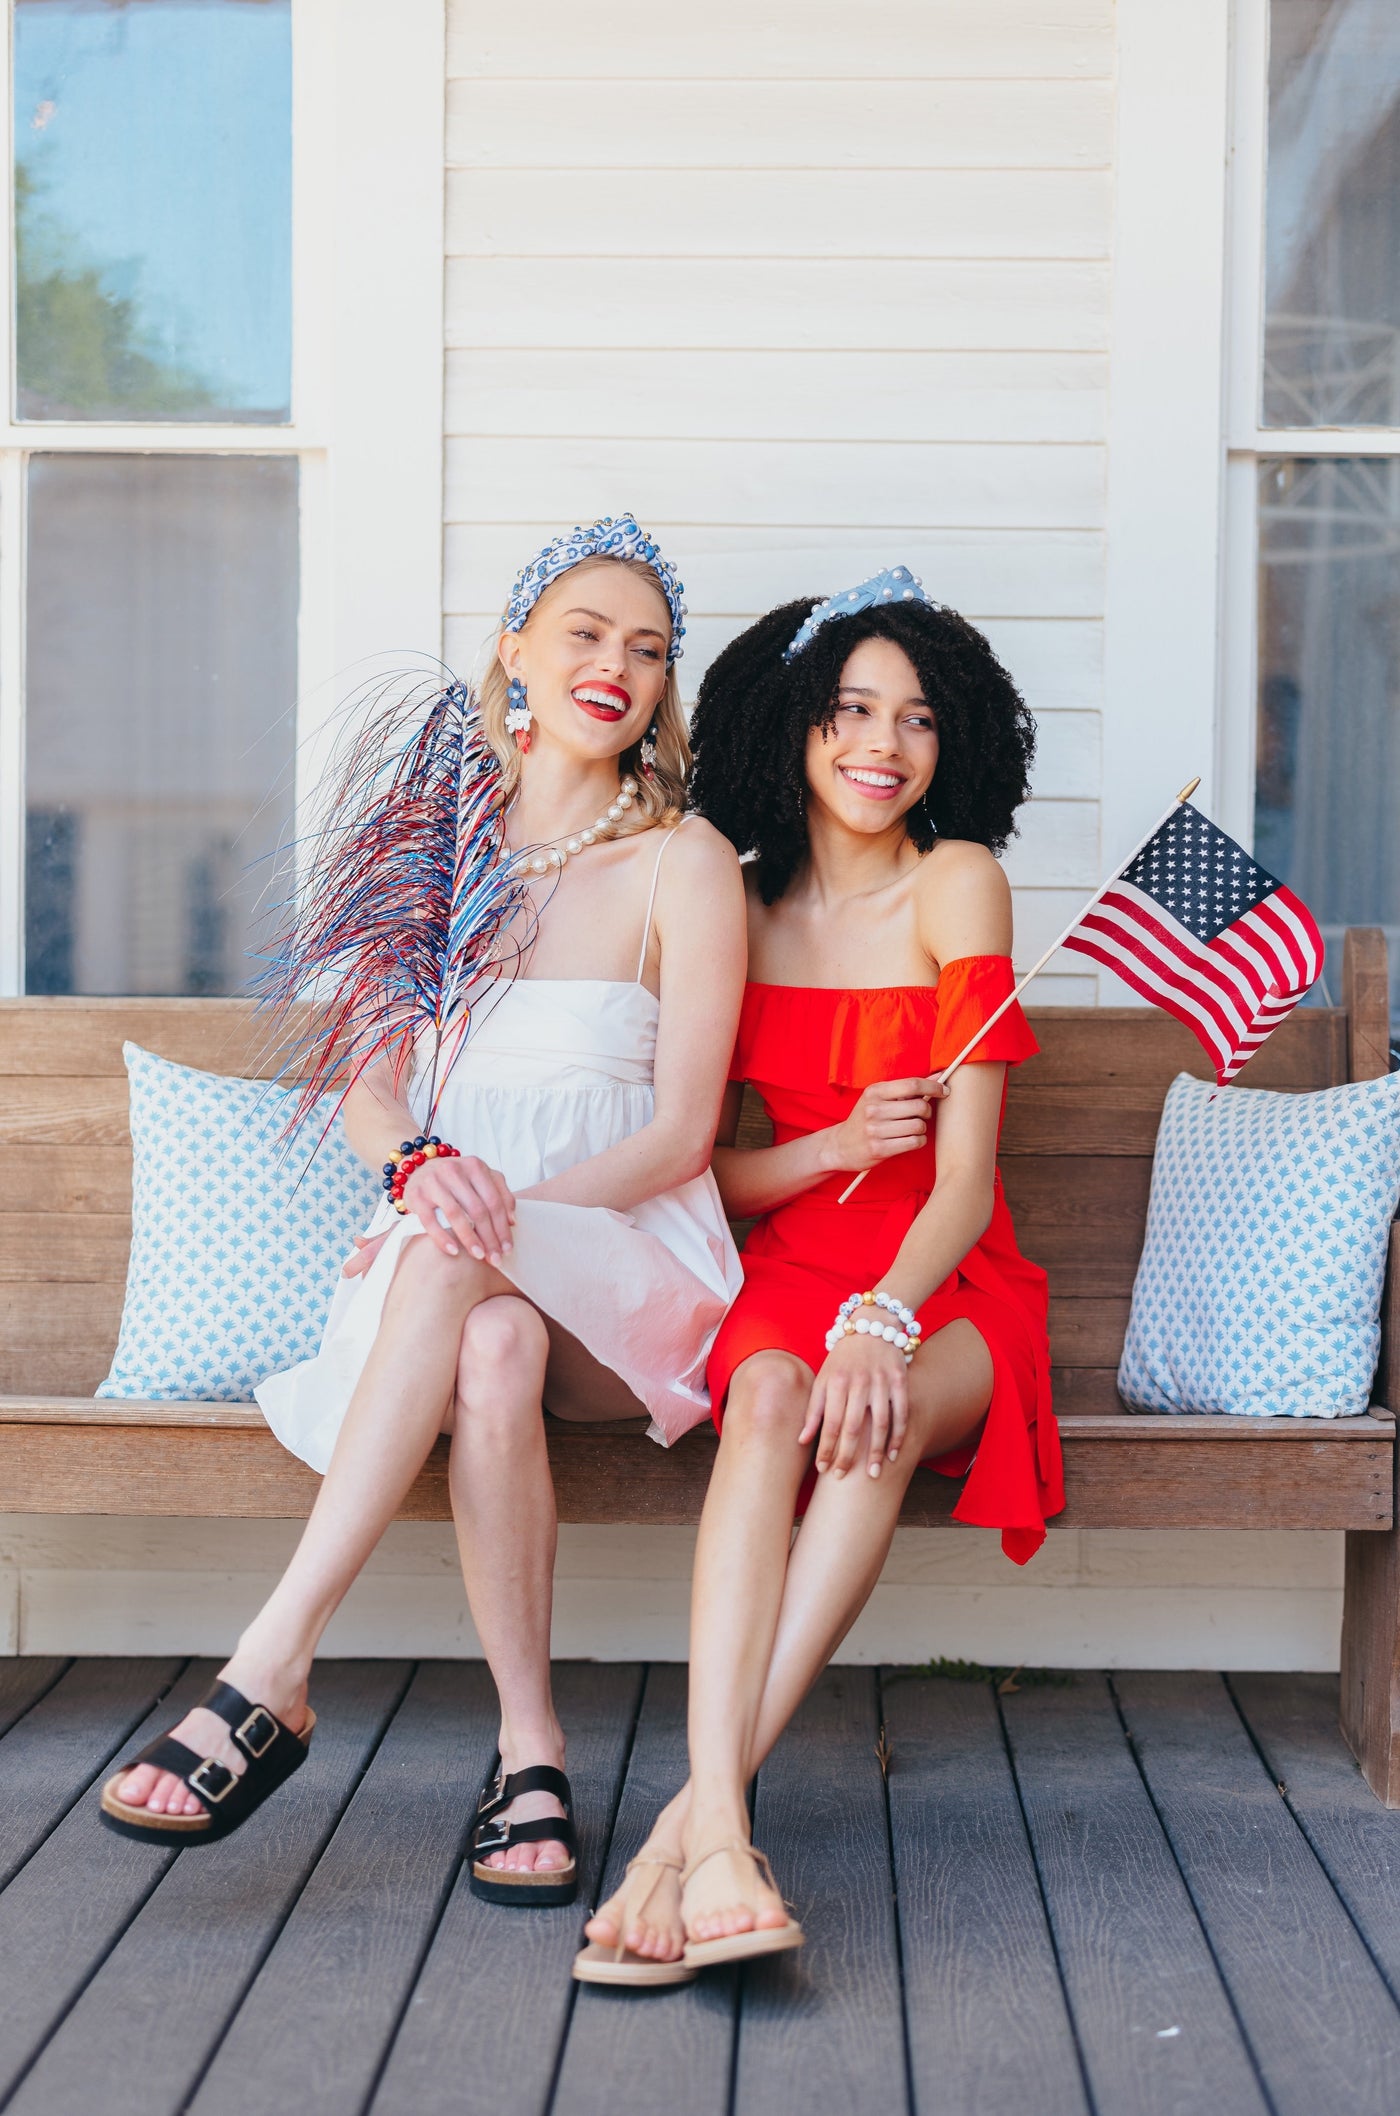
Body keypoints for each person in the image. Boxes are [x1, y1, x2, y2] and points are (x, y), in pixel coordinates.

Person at [98, 516, 746, 1909]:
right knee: (488, 1343)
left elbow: (681, 1131)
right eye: (584, 632)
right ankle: (532, 1754)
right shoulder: (431, 853)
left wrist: (498, 1212)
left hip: (626, 1251)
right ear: (514, 647)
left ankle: (271, 1665)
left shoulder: (683, 862)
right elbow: (368, 1090)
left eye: (646, 650)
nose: (614, 666)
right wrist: (420, 1181)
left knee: (474, 1278)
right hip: (452, 1260)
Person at [576, 567, 1062, 1983]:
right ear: (793, 724)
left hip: (943, 1277)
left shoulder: (957, 881)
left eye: (915, 720)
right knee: (779, 1397)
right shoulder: (730, 899)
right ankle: (720, 1830)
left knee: (878, 1411)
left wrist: (886, 1318)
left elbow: (965, 1183)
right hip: (783, 1273)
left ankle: (684, 1831)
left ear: (949, 740)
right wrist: (828, 1148)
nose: (882, 747)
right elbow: (695, 1168)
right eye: (850, 711)